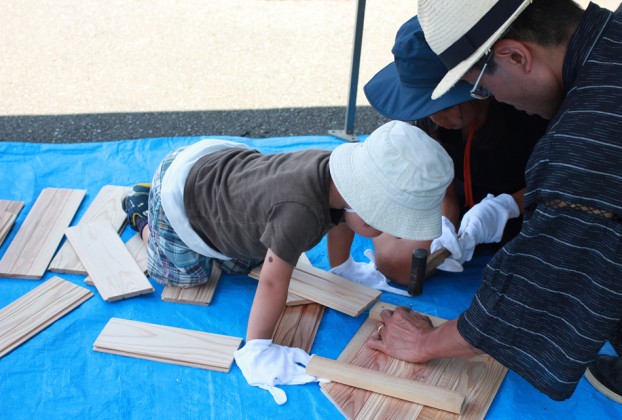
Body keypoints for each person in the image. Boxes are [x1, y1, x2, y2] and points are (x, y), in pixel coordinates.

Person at [368, 0, 622, 403]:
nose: (492, 98)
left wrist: (425, 344)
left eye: (481, 87)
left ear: (516, 55)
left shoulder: (581, 148)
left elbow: (537, 290)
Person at [121, 120, 454, 405]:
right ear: (363, 204)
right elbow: (271, 281)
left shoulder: (338, 179)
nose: (382, 234)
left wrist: (344, 269)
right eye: (384, 224)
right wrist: (257, 349)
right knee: (187, 274)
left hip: (215, 166)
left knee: (244, 260)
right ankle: (144, 215)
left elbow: (342, 217)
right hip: (179, 196)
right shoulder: (299, 213)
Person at [327, 15, 548, 287]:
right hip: (443, 198)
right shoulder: (424, 116)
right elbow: (442, 192)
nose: (434, 119)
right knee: (399, 263)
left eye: (443, 104)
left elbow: (563, 181)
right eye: (425, 107)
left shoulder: (523, 110)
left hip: (525, 208)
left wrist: (507, 206)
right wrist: (444, 223)